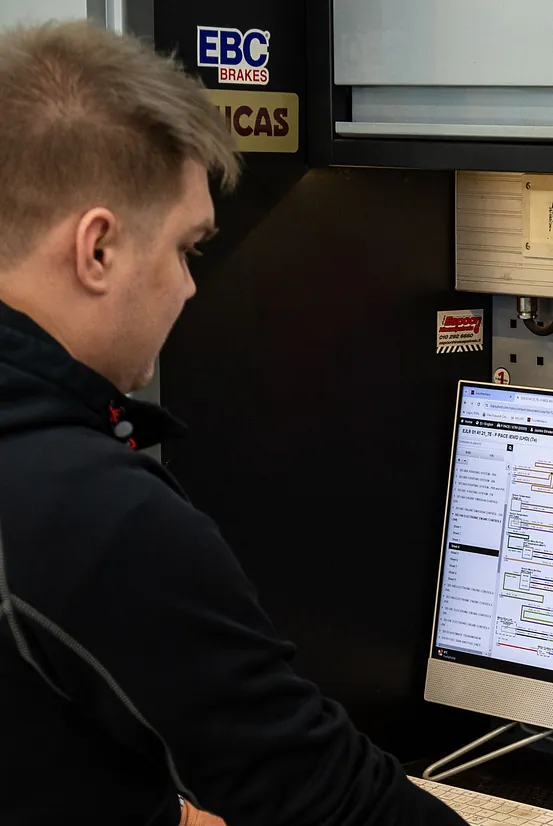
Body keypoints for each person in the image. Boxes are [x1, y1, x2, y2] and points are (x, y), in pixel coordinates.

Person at [0, 19, 466, 826]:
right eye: (186, 249)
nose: (187, 289)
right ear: (97, 249)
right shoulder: (92, 515)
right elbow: (327, 802)